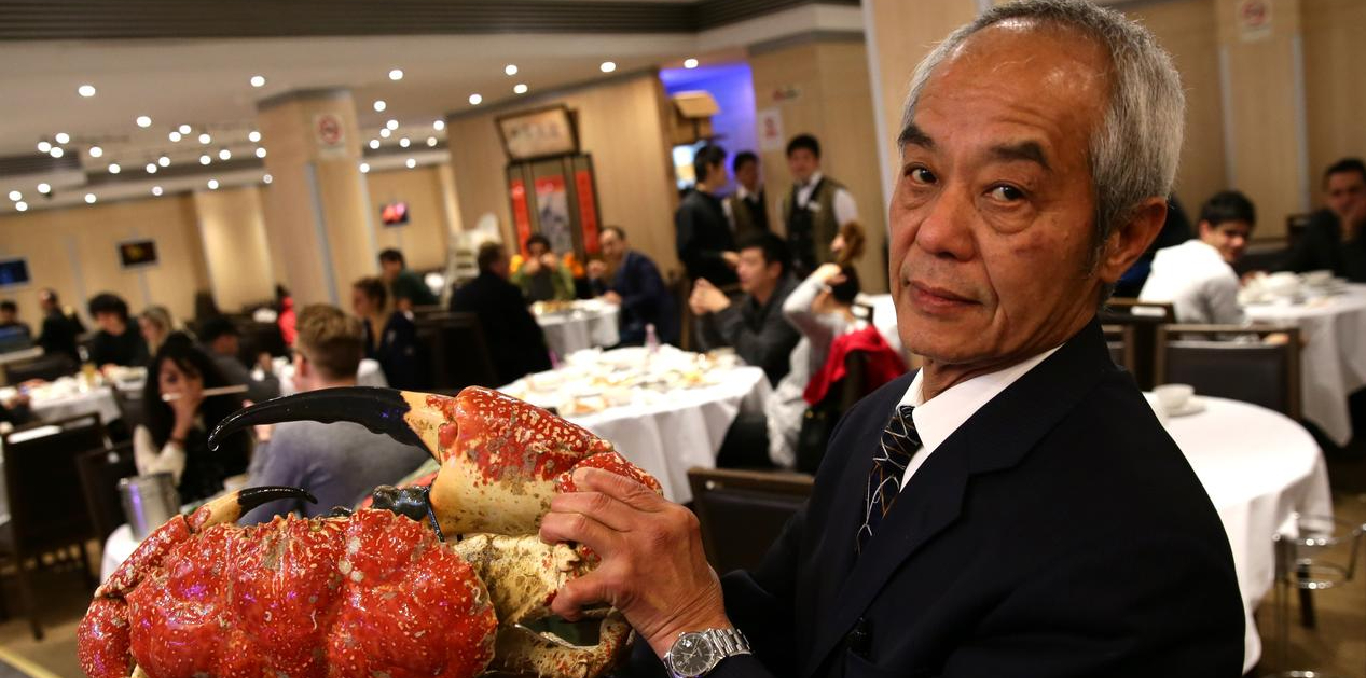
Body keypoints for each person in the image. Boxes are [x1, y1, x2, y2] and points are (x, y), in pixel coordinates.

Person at [541, 3, 1245, 677]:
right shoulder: (878, 423)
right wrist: (645, 589)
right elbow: (794, 623)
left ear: (1122, 236)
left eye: (1006, 192)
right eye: (922, 174)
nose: (933, 233)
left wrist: (687, 628)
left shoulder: (1136, 555)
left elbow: (705, 630)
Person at [240, 305, 430, 524]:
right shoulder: (409, 415)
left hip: (343, 552)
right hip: (419, 544)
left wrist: (264, 441)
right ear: (359, 359)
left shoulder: (294, 436)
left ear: (301, 364)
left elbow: (249, 523)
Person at [717, 263, 864, 469]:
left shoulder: (828, 328)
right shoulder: (848, 322)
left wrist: (817, 278)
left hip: (791, 423)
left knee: (721, 435)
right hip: (791, 412)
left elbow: (793, 308)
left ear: (824, 295)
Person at [134, 333, 250, 503]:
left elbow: (251, 467)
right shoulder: (146, 431)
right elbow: (156, 490)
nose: (184, 387)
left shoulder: (227, 417)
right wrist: (180, 430)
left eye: (192, 376)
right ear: (158, 388)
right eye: (172, 379)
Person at [691, 232, 801, 386]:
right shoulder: (754, 299)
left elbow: (760, 357)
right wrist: (706, 315)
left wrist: (724, 310)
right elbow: (718, 349)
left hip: (792, 391)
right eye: (739, 264)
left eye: (750, 263)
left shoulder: (793, 301)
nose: (740, 271)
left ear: (774, 269)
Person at [1139, 190, 1255, 325]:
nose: (1239, 242)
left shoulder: (1167, 256)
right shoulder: (1218, 272)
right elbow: (1239, 339)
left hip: (1143, 343)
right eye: (1230, 233)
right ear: (1205, 229)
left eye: (1245, 236)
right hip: (1188, 345)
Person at [449, 242, 552, 384]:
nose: (509, 267)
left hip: (469, 371)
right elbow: (530, 334)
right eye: (507, 261)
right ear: (497, 263)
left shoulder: (460, 295)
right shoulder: (508, 292)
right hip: (507, 371)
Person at [781, 133, 859, 276]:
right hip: (798, 277)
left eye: (806, 157)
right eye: (795, 158)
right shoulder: (785, 198)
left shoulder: (836, 193)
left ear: (816, 160)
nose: (800, 164)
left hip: (831, 273)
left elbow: (852, 235)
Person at [1283, 158, 1366, 282]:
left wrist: (1349, 233)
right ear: (1327, 200)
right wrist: (1264, 276)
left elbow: (1360, 279)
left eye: (1353, 191)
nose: (1346, 200)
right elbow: (1293, 266)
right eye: (1337, 194)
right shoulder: (1322, 223)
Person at [598, 226, 678, 346]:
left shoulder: (639, 262)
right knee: (605, 338)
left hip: (654, 325)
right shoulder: (622, 266)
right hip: (639, 323)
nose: (607, 251)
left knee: (608, 341)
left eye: (610, 244)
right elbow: (613, 295)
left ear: (624, 242)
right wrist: (597, 279)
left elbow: (653, 295)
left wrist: (622, 302)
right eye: (603, 246)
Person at [676, 144, 739, 286]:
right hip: (708, 286)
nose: (726, 173)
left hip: (728, 282)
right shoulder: (690, 207)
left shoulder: (716, 201)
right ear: (710, 167)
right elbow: (686, 253)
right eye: (723, 166)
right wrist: (722, 257)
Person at [353, 277, 427, 391]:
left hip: (402, 390)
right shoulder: (365, 327)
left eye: (359, 300)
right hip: (378, 390)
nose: (354, 305)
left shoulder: (400, 323)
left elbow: (408, 369)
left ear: (375, 300)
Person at [198, 317, 280, 403]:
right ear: (223, 339)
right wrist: (268, 371)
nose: (237, 342)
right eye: (235, 337)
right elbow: (266, 395)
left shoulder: (200, 357)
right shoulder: (224, 363)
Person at [87, 293, 149, 368]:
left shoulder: (140, 328)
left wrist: (120, 368)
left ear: (119, 313)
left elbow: (145, 357)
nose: (104, 321)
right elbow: (92, 363)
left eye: (107, 316)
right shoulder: (101, 338)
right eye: (100, 318)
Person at [511, 234, 576, 302]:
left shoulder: (559, 266)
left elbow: (571, 292)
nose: (537, 256)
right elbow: (512, 289)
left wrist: (557, 269)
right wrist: (524, 273)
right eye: (532, 253)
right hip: (532, 306)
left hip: (557, 305)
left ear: (549, 251)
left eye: (542, 252)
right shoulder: (525, 268)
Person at [724, 151, 770, 239]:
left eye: (754, 169)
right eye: (748, 170)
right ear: (738, 174)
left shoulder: (766, 193)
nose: (753, 173)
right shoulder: (732, 202)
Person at [35, 288, 79, 363]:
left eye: (41, 302)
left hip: (57, 359)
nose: (40, 305)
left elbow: (45, 340)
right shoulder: (69, 313)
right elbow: (80, 330)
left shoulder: (49, 320)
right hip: (73, 354)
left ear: (48, 302)